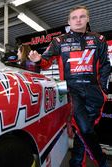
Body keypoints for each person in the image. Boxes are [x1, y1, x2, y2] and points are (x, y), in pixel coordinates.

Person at [28, 6, 110, 167]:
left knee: (83, 130)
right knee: (85, 129)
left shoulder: (99, 39)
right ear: (68, 21)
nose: (78, 20)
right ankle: (101, 162)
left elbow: (106, 66)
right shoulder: (59, 40)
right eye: (74, 17)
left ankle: (76, 162)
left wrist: (104, 89)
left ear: (88, 19)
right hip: (71, 91)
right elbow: (45, 62)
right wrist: (37, 60)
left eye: (82, 17)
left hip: (94, 92)